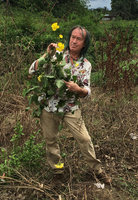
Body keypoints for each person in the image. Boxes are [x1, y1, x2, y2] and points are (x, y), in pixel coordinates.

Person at [29, 25, 111, 184]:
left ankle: (97, 170)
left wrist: (79, 89)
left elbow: (87, 89)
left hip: (70, 107)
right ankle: (57, 172)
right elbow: (32, 70)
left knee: (85, 139)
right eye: (72, 37)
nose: (74, 41)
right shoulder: (56, 55)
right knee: (51, 140)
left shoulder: (85, 65)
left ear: (84, 44)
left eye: (78, 39)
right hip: (49, 105)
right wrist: (47, 55)